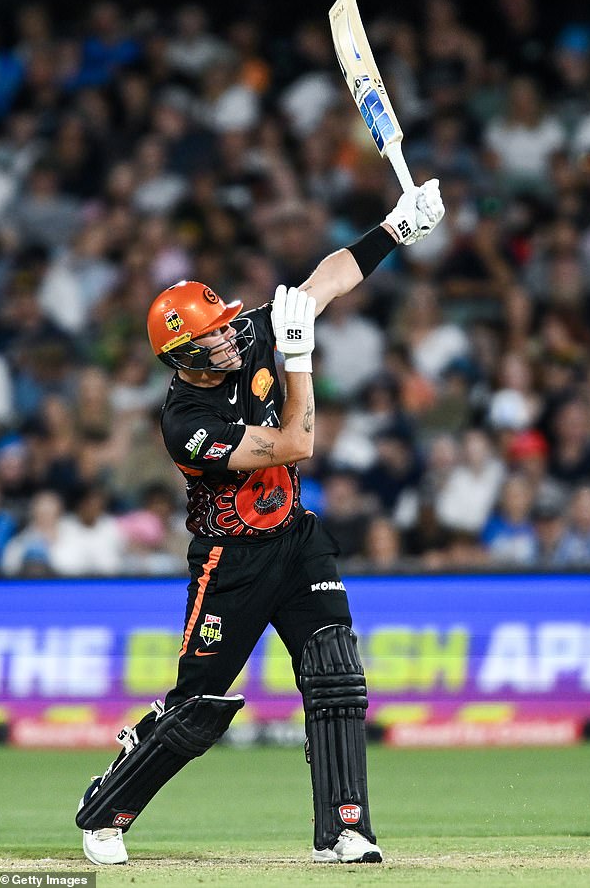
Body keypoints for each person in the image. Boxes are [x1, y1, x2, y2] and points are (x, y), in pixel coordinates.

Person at [75, 179, 445, 864]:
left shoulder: (243, 335)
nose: (228, 344)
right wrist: (300, 360)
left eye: (225, 330)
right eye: (210, 341)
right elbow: (297, 444)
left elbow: (324, 282)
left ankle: (344, 828)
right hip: (230, 563)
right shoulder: (185, 423)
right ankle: (105, 810)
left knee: (335, 673)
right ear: (180, 358)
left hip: (296, 537)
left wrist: (397, 228)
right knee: (198, 710)